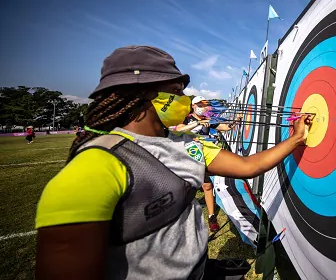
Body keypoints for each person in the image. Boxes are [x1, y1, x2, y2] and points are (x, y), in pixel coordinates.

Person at [34, 45, 311, 280]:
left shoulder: (187, 143)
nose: (185, 100)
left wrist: (296, 139)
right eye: (176, 91)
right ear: (142, 95)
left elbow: (248, 166)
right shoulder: (96, 166)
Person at [176, 96, 243, 232]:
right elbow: (179, 130)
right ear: (193, 106)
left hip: (201, 157)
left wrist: (235, 121)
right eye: (200, 104)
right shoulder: (186, 118)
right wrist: (197, 125)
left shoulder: (206, 120)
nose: (203, 107)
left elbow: (225, 127)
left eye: (204, 105)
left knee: (207, 186)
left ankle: (212, 217)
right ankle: (179, 217)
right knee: (185, 187)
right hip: (186, 158)